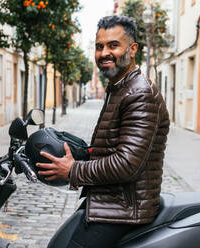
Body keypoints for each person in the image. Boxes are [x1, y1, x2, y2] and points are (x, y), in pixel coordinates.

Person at [36, 15, 170, 247]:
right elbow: (112, 148)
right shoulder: (120, 88)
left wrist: (72, 169)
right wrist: (83, 152)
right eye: (99, 46)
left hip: (124, 210)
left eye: (113, 45)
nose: (104, 53)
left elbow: (127, 164)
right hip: (110, 202)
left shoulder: (139, 93)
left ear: (133, 49)